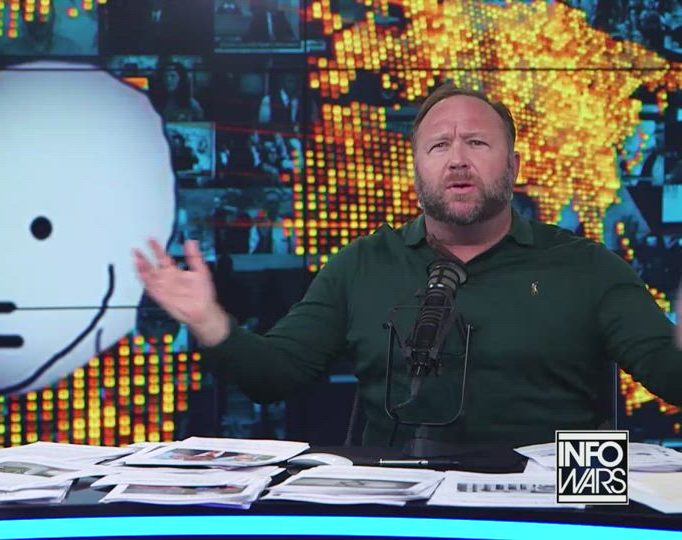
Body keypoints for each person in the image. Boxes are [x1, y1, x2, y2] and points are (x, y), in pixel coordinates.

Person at [133, 84, 682, 448]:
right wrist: (209, 322)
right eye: (439, 146)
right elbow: (272, 376)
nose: (458, 159)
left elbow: (669, 376)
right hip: (404, 513)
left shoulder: (589, 268)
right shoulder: (362, 264)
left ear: (514, 165)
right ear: (416, 170)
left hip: (551, 515)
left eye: (477, 143)